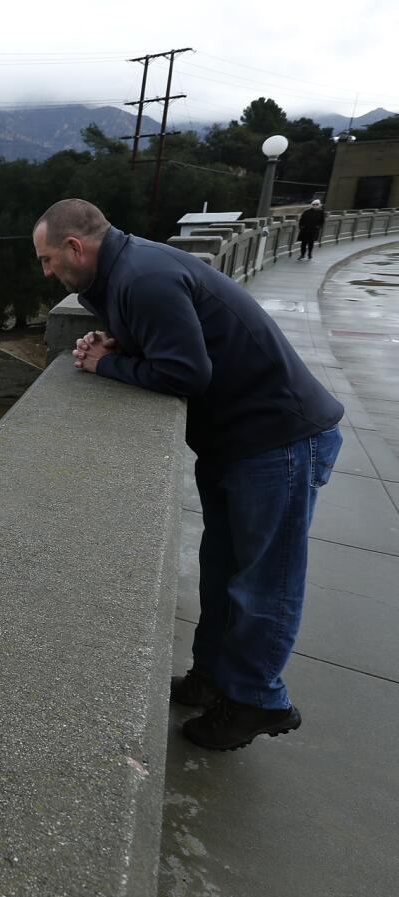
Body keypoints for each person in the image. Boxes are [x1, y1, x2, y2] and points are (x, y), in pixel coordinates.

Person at [32, 198, 344, 751]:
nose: (46, 271)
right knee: (222, 568)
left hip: (279, 439)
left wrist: (107, 363)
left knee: (263, 581)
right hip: (237, 442)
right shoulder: (123, 274)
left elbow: (185, 371)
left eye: (48, 260)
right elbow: (170, 341)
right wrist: (116, 344)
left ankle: (256, 700)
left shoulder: (144, 277)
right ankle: (213, 677)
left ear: (75, 248)